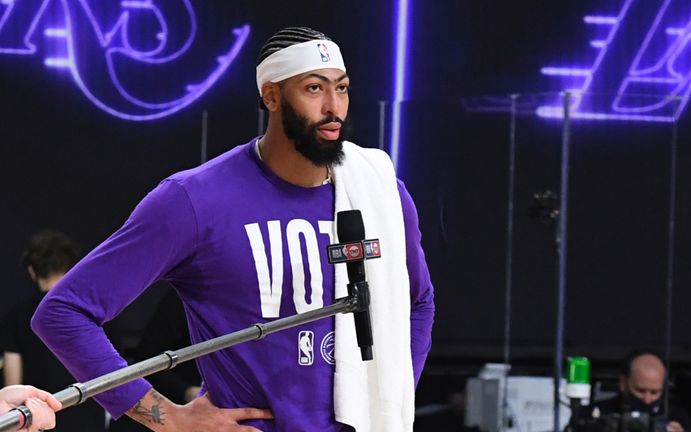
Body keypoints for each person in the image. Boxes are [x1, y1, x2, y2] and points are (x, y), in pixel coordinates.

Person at [31, 26, 435, 432]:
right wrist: (168, 419)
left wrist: (393, 395)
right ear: (272, 96)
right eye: (314, 88)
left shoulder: (379, 192)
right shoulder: (193, 200)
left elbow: (418, 301)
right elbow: (64, 312)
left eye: (342, 88)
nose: (334, 107)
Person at [1, 231, 106, 431]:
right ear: (74, 268)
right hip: (88, 420)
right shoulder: (94, 312)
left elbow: (12, 381)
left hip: (39, 420)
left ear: (32, 271)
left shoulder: (17, 316)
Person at [587, 351, 691, 432]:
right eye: (640, 390)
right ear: (623, 383)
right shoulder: (598, 414)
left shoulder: (676, 418)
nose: (647, 400)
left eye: (654, 392)